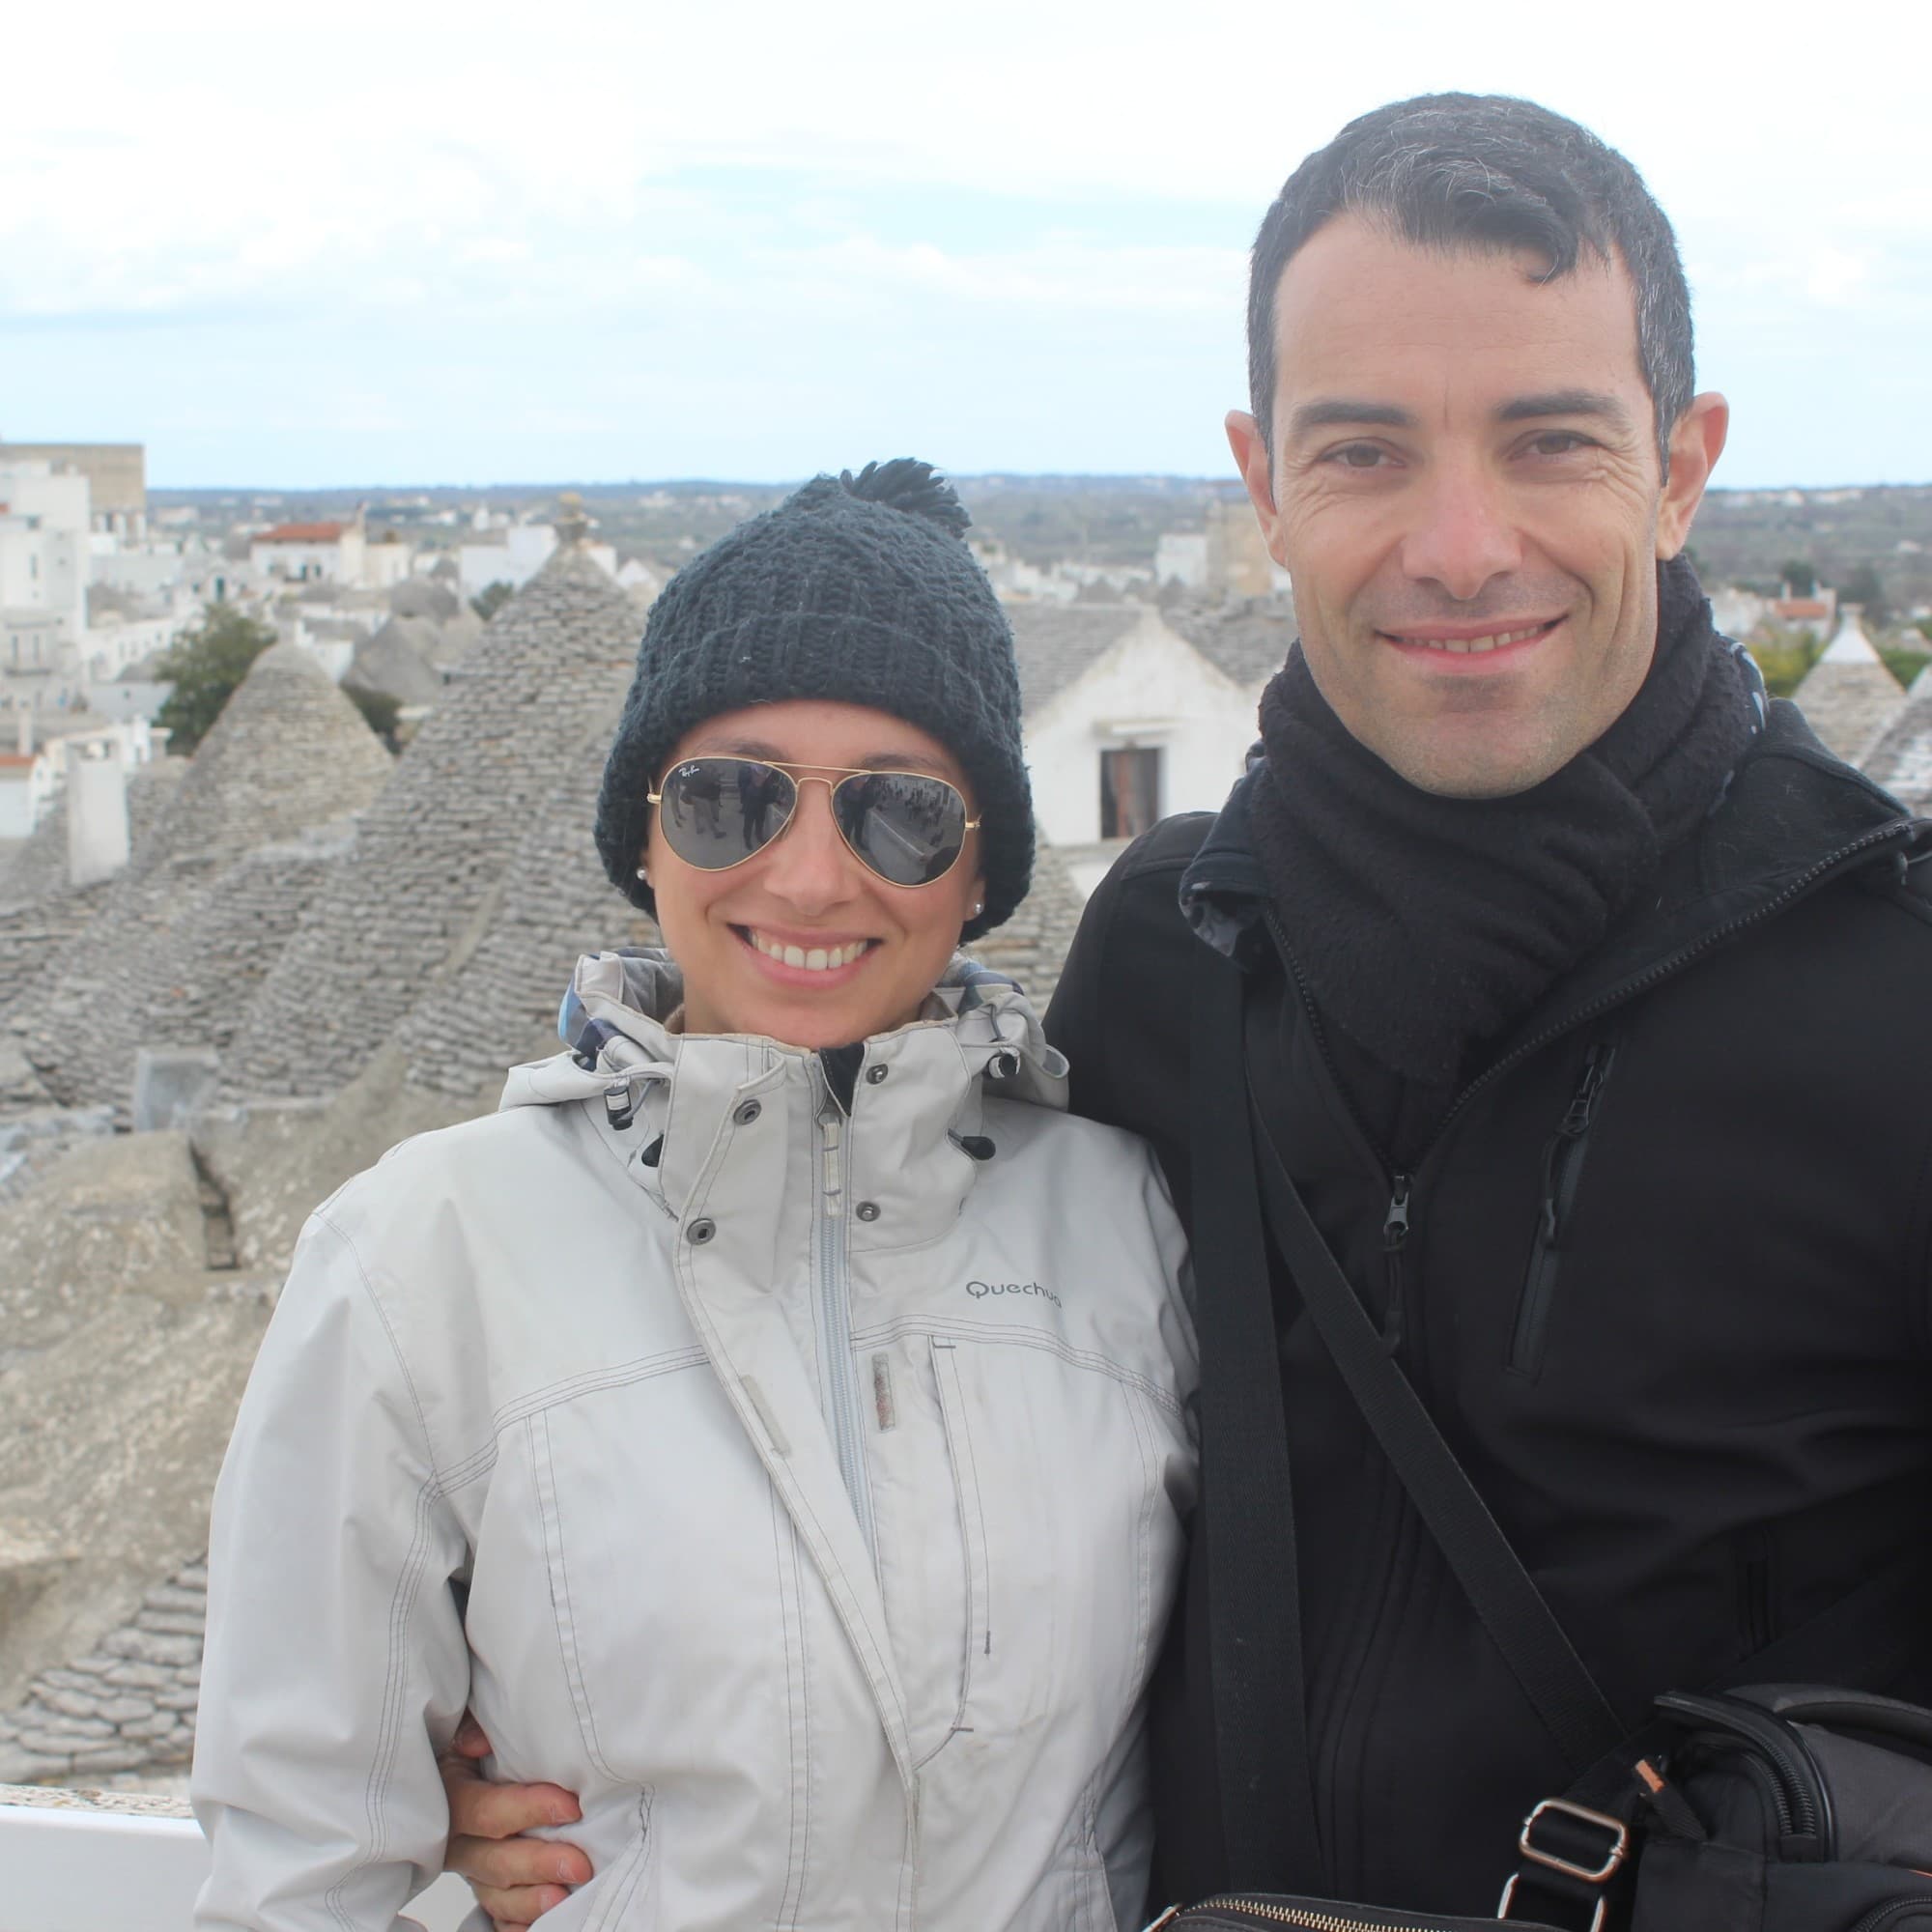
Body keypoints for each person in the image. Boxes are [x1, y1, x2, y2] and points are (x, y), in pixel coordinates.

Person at [444, 93, 1932, 1925]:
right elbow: (908, 1434)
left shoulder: (1895, 988)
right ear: (1263, 485)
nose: (1461, 546)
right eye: (1368, 452)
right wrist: (517, 1733)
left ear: (1684, 464)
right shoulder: (1169, 955)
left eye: (1549, 441)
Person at [189, 461, 1197, 1930]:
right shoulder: (424, 1262)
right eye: (731, 798)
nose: (806, 875)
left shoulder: (1136, 1233)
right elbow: (299, 1862)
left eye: (901, 813)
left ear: (981, 869)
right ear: (645, 836)